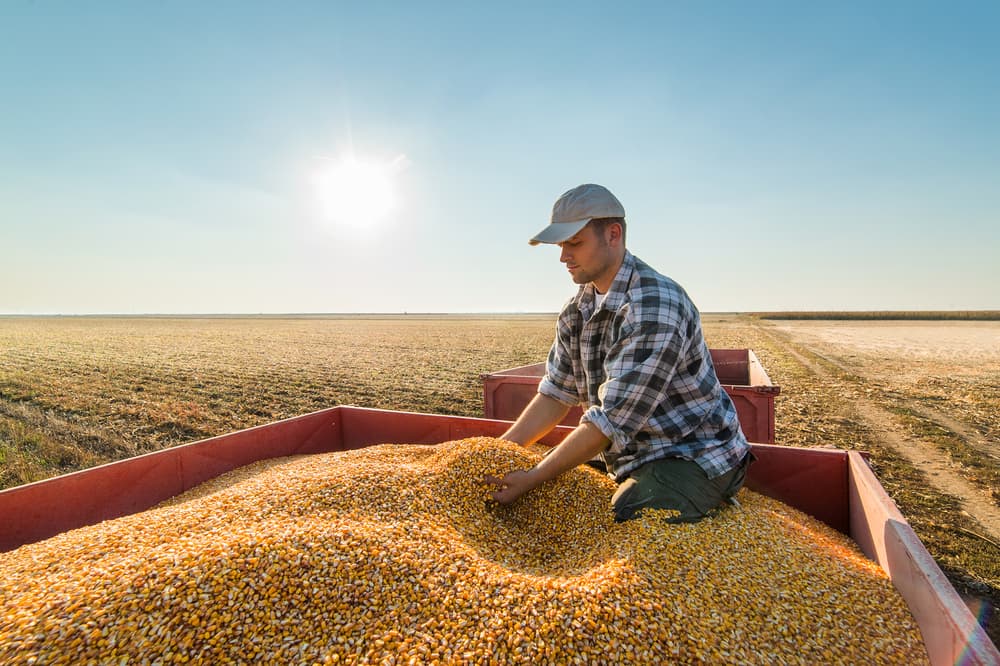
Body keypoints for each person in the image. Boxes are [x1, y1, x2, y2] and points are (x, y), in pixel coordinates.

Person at [484, 183, 753, 523]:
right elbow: (556, 392)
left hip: (693, 453)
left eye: (574, 243)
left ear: (613, 234)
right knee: (547, 488)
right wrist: (499, 451)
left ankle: (713, 497)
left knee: (631, 512)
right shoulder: (576, 309)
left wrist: (533, 477)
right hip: (625, 451)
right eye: (561, 245)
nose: (564, 256)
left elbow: (611, 421)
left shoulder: (654, 304)